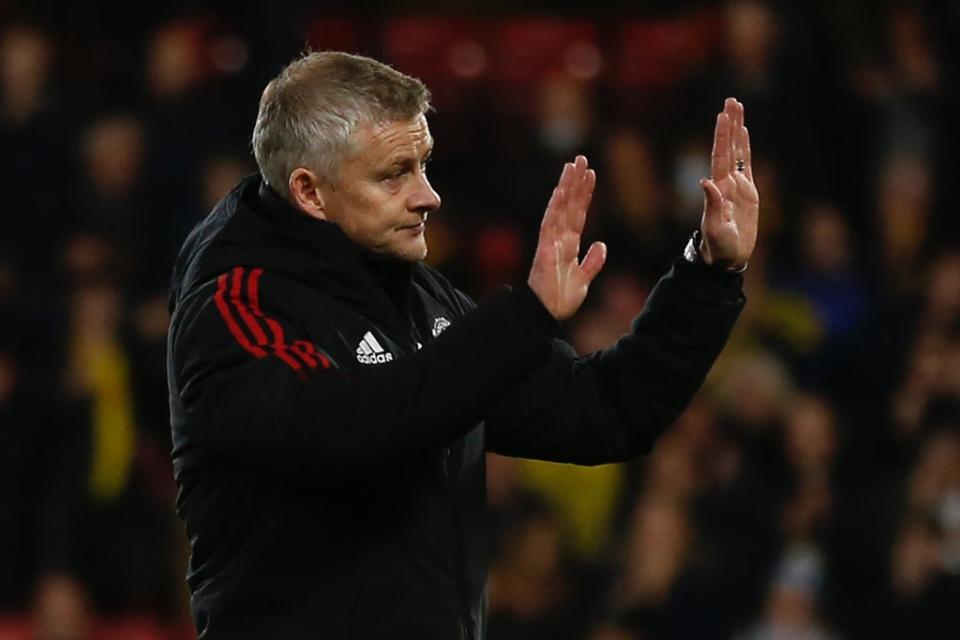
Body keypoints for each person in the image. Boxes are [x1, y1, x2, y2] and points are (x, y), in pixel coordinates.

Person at [167, 51, 758, 639]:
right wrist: (525, 317)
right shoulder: (236, 307)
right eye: (394, 173)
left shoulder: (416, 295)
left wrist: (707, 273)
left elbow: (603, 410)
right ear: (310, 192)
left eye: (424, 164)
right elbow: (348, 431)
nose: (428, 196)